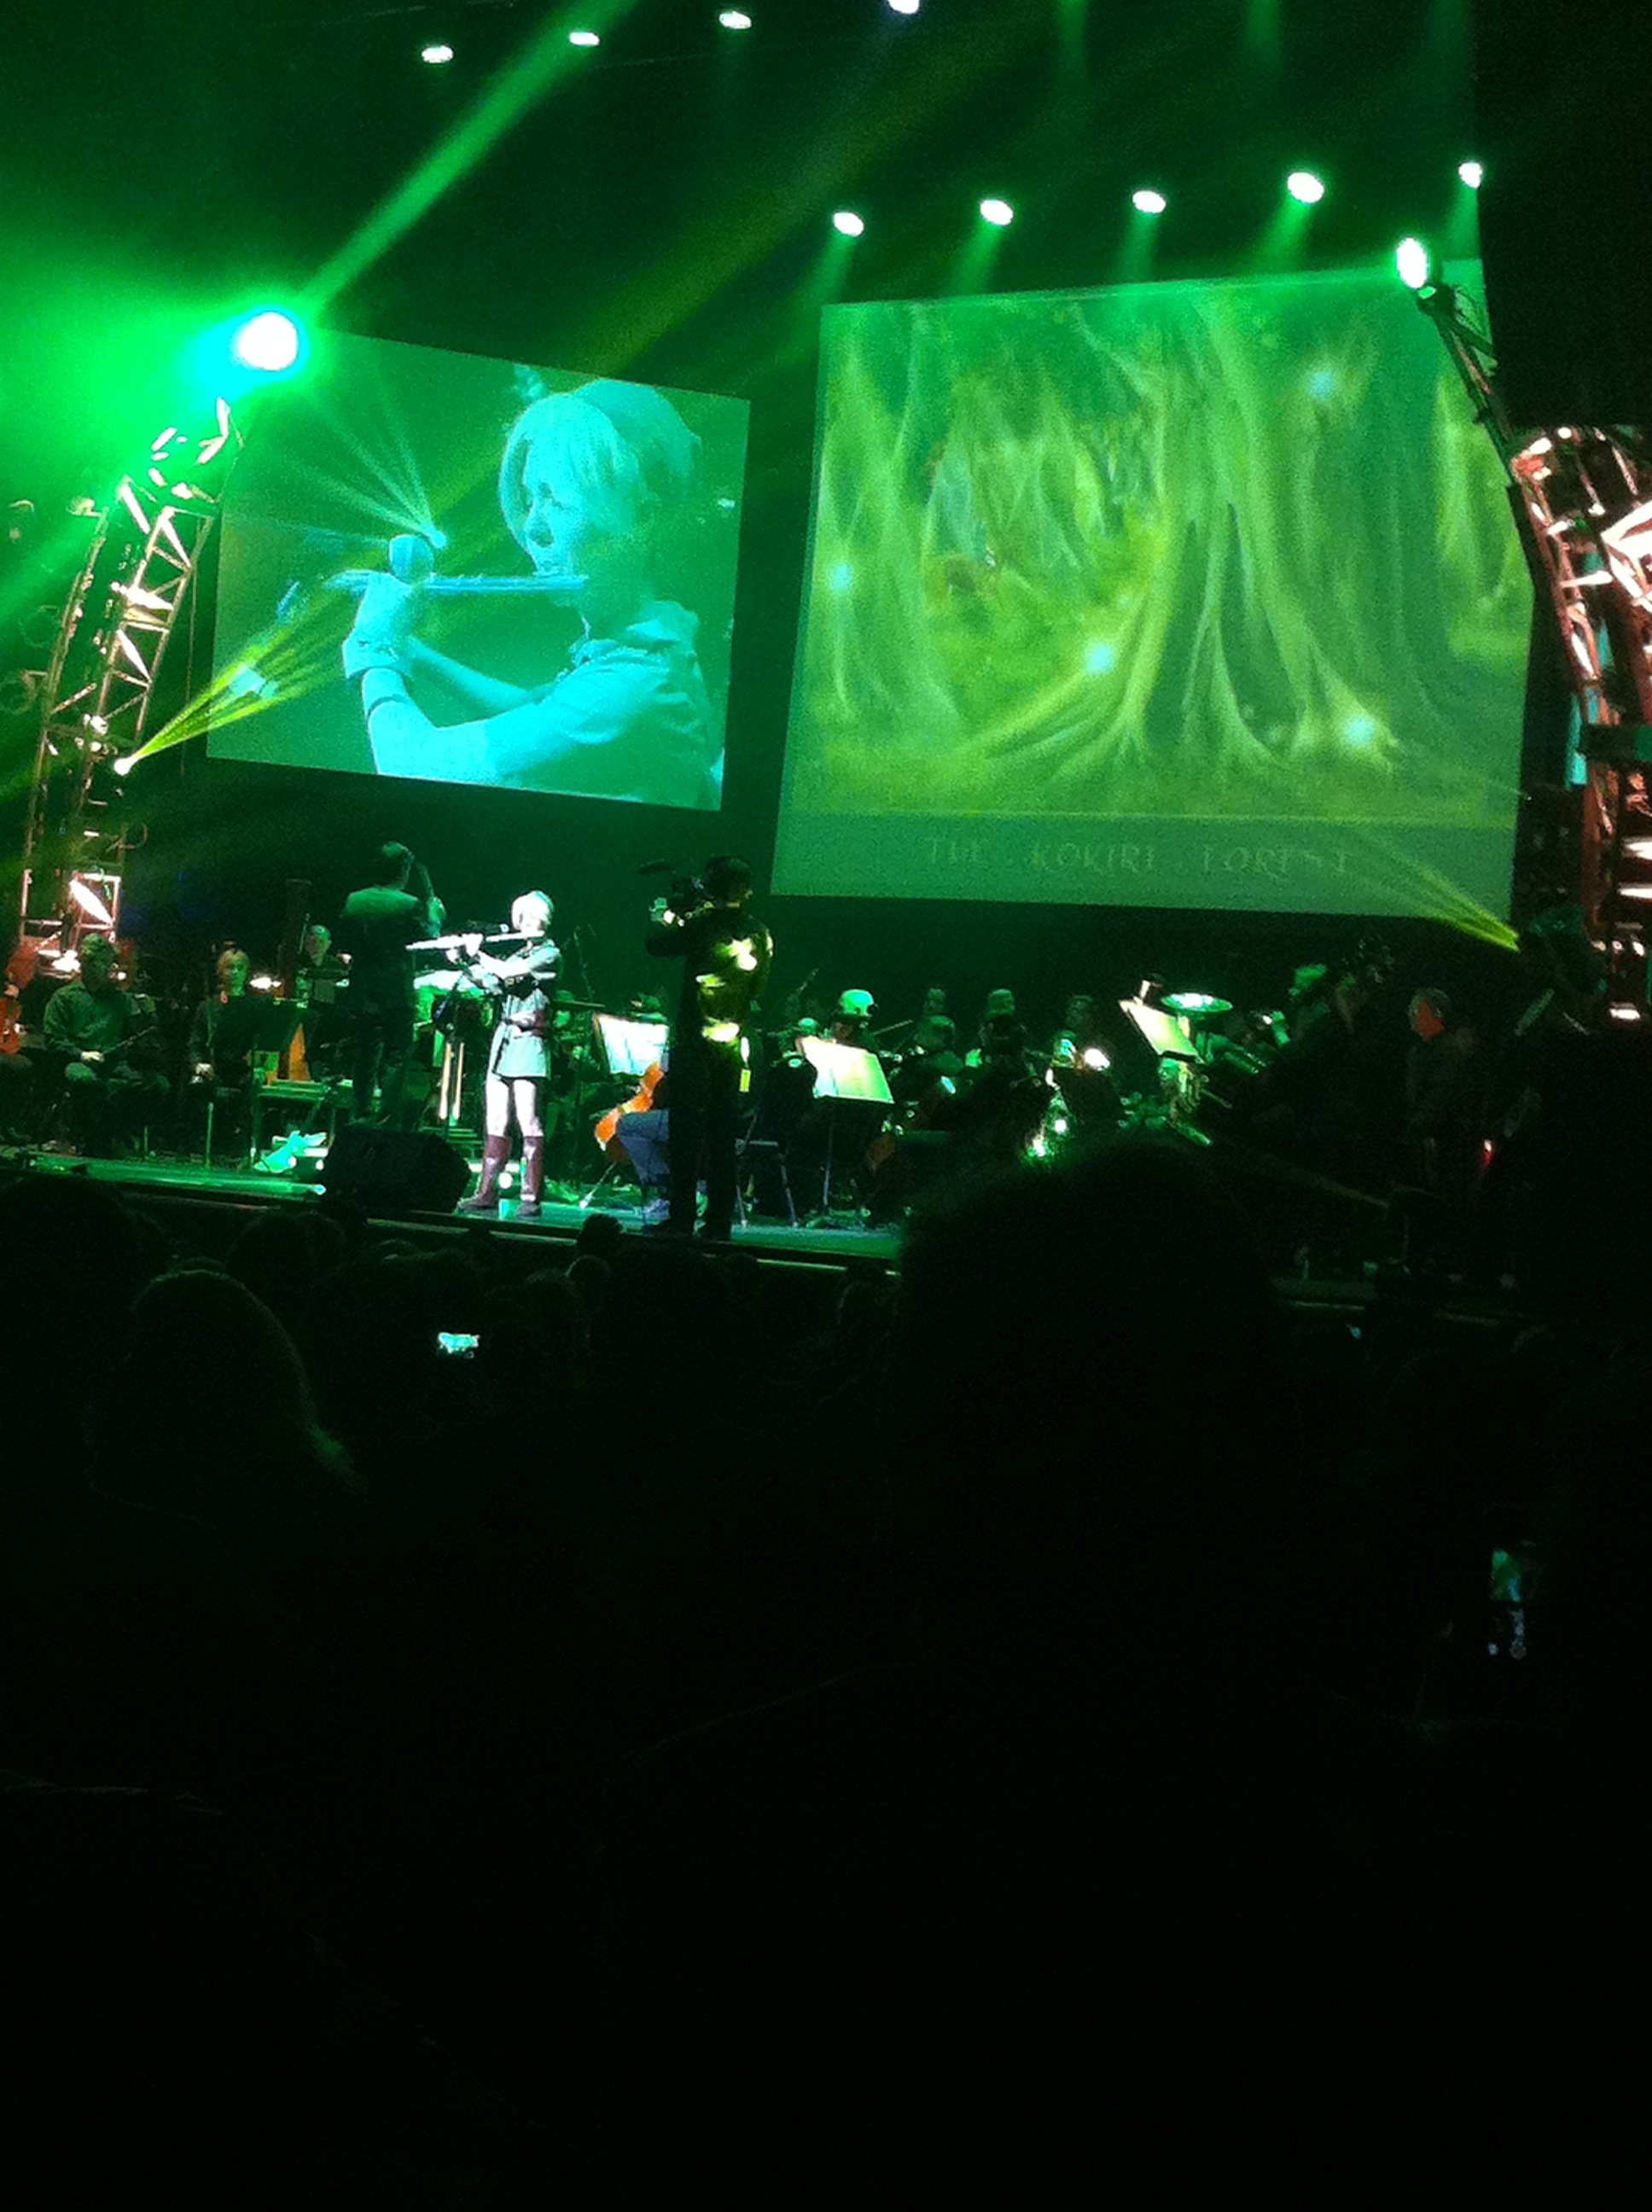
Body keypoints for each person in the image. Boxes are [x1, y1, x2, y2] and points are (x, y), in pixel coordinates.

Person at [342, 381, 719, 807]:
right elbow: (529, 706)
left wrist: (373, 646)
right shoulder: (637, 645)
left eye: (555, 500)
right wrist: (411, 647)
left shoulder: (631, 687)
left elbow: (411, 767)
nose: (532, 527)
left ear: (642, 519)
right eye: (529, 499)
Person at [645, 856, 771, 1241]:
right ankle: (719, 1223)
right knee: (723, 1137)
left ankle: (681, 1218)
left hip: (695, 1042)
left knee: (685, 1134)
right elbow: (758, 989)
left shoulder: (701, 925)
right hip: (733, 1044)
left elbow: (656, 945)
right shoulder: (761, 933)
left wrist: (665, 917)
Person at [457, 892, 562, 1220]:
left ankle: (530, 1197)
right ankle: (486, 1193)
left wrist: (479, 953)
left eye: (536, 917)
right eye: (524, 917)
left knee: (528, 1120)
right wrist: (463, 960)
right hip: (503, 1043)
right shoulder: (518, 954)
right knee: (495, 1121)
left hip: (528, 1041)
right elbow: (490, 982)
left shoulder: (549, 955)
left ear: (546, 920)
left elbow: (509, 973)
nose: (529, 922)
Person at [337, 844, 442, 1128]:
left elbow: (345, 942)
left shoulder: (355, 900)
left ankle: (361, 1115)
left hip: (363, 992)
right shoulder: (409, 904)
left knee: (365, 1055)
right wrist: (435, 914)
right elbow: (431, 940)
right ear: (403, 870)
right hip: (396, 993)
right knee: (396, 1057)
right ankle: (386, 1120)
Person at [41, 935, 167, 1153]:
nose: (110, 969)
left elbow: (144, 1035)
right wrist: (82, 1054)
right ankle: (94, 1138)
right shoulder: (64, 997)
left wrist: (149, 1014)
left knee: (158, 1086)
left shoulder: (120, 999)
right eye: (105, 964)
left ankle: (117, 1133)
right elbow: (53, 1040)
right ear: (88, 964)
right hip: (78, 1061)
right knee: (87, 1081)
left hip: (113, 1064)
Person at [186, 947, 261, 1152]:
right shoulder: (207, 1007)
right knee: (197, 1087)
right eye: (229, 967)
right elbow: (195, 1043)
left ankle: (242, 1143)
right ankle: (200, 1143)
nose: (234, 972)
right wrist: (199, 1064)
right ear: (220, 972)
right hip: (214, 1068)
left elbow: (262, 1043)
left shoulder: (255, 1007)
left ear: (246, 973)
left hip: (243, 1070)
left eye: (239, 968)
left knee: (255, 1086)